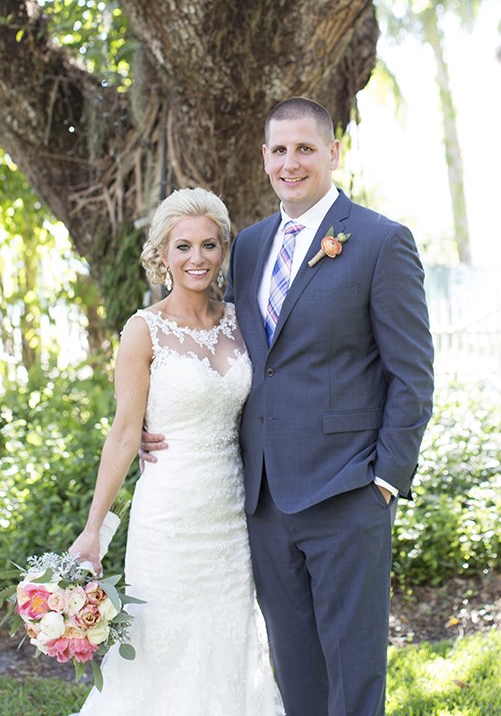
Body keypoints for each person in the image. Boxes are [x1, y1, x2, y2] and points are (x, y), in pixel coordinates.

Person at [141, 98, 435, 716]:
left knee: (353, 676)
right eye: (279, 150)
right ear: (265, 158)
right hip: (265, 500)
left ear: (333, 153)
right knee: (294, 672)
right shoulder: (246, 247)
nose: (291, 162)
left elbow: (412, 374)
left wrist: (384, 479)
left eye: (305, 148)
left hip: (347, 490)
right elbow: (235, 354)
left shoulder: (382, 242)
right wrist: (163, 421)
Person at [69, 188, 285, 716]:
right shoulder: (144, 331)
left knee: (231, 636)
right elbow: (124, 431)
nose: (197, 259)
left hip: (233, 513)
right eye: (183, 246)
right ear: (161, 255)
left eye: (209, 245)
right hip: (168, 515)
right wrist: (94, 529)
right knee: (160, 640)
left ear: (224, 250)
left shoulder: (243, 321)